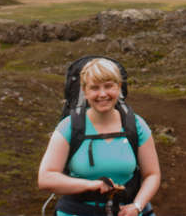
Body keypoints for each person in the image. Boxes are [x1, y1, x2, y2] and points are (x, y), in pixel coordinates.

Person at [38, 58, 161, 216]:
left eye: (109, 86)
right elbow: (45, 178)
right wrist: (90, 185)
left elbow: (152, 174)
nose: (102, 94)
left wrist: (137, 206)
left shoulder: (136, 125)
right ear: (85, 91)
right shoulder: (69, 127)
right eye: (95, 88)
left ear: (119, 87)